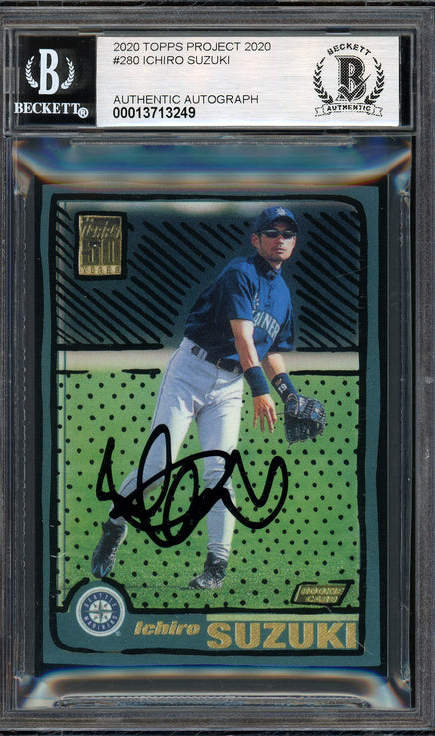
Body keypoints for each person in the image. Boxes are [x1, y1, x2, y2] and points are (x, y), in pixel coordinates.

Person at [92, 205, 306, 589]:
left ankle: (216, 567)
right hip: (191, 371)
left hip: (230, 386)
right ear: (256, 239)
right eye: (272, 233)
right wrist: (261, 391)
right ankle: (114, 524)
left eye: (287, 233)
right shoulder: (241, 273)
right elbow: (242, 338)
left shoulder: (283, 296)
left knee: (220, 473)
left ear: (294, 242)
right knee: (158, 468)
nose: (280, 239)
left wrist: (289, 393)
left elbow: (270, 349)